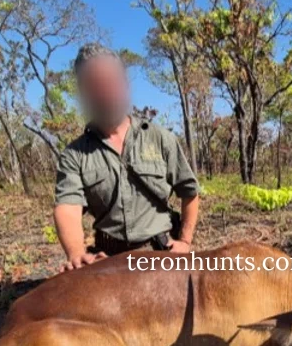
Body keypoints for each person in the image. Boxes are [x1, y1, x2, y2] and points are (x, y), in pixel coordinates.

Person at [54, 44, 200, 271]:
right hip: (109, 258)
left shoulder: (161, 138)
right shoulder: (74, 155)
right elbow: (68, 208)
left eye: (112, 81)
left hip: (161, 253)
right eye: (95, 85)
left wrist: (185, 241)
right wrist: (76, 253)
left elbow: (189, 191)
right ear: (83, 92)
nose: (106, 92)